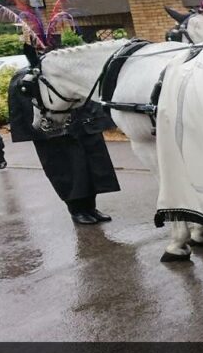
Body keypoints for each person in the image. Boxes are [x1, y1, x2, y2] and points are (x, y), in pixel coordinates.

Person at [8, 51, 120, 225]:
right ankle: (76, 210)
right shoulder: (27, 77)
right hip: (54, 133)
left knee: (93, 168)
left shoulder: (67, 74)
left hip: (81, 127)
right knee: (69, 172)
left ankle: (90, 208)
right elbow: (26, 109)